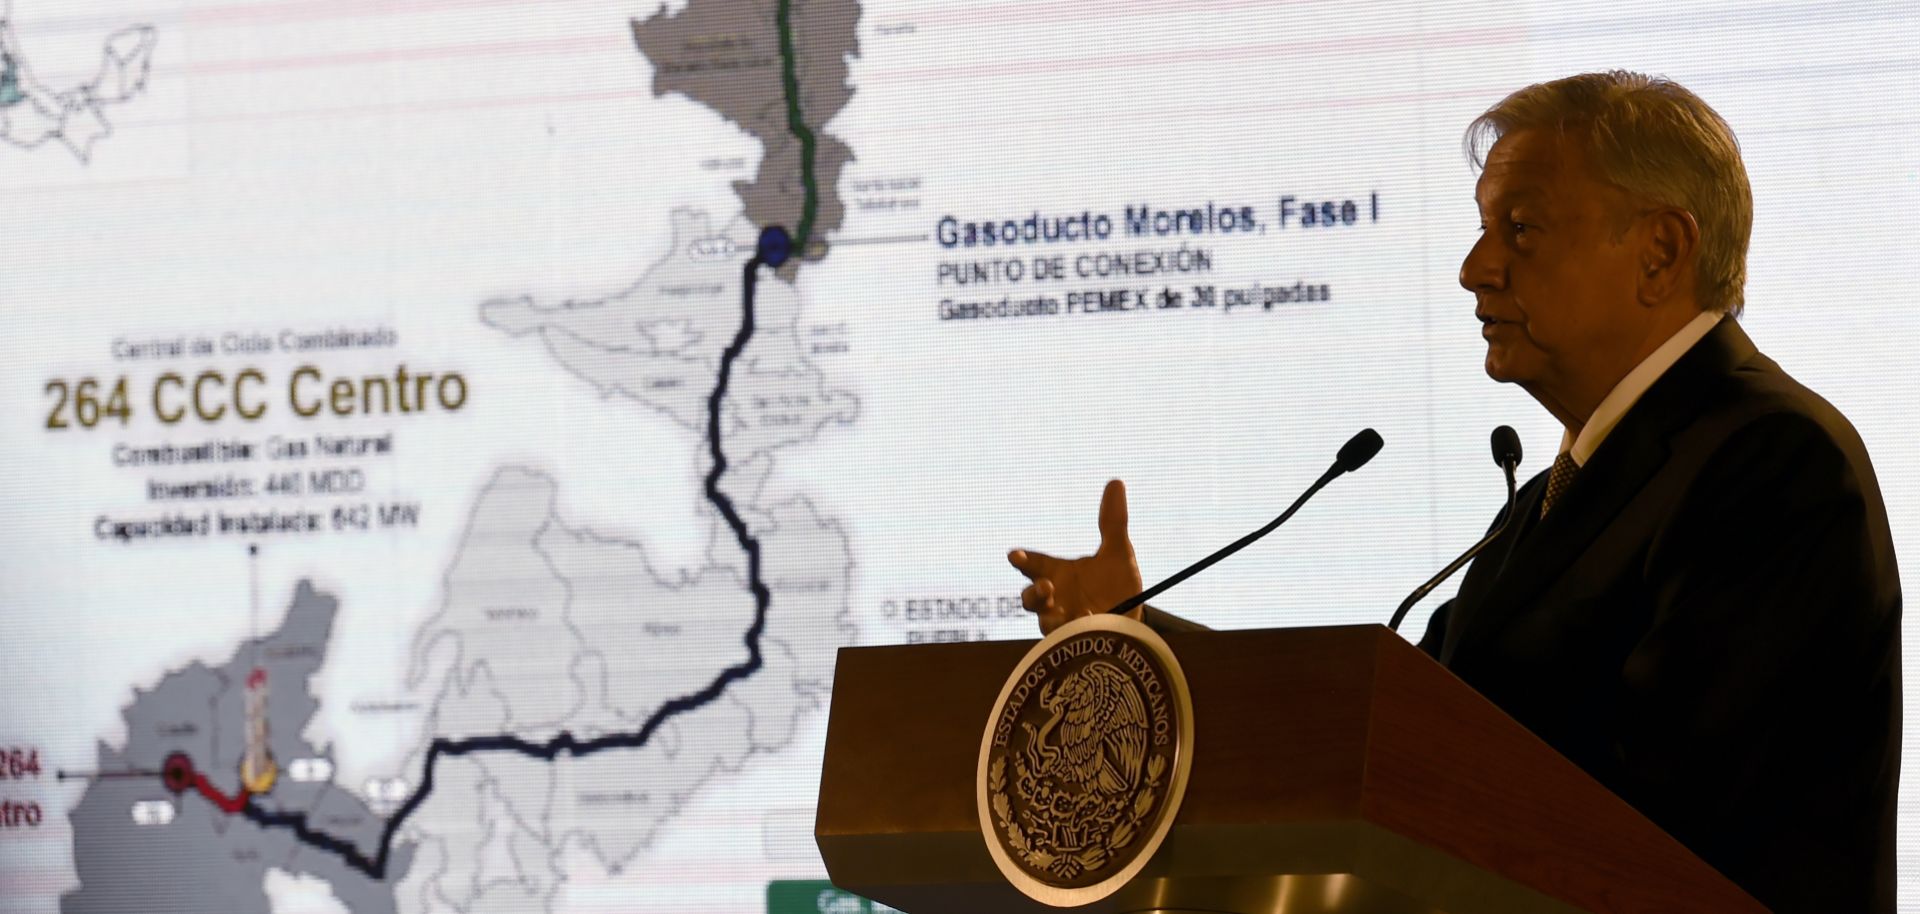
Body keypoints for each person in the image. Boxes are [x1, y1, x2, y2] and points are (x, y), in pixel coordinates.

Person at [1008, 71, 1900, 913]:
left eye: (1520, 229)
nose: (1475, 268)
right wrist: (1138, 636)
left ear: (1660, 253)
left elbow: (1661, 823)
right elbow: (1390, 727)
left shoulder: (1773, 460)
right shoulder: (1546, 501)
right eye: (1483, 230)